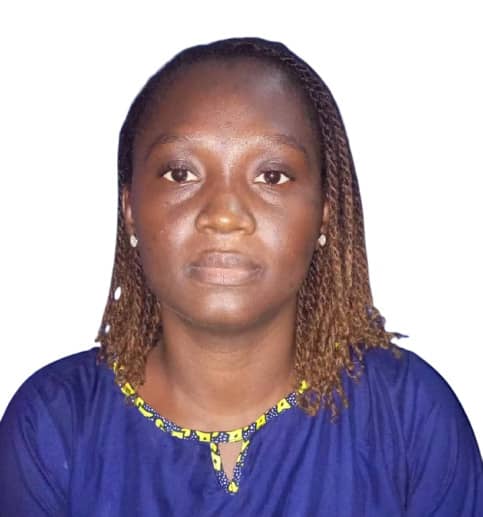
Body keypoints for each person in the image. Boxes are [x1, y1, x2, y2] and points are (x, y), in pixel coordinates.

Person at [0, 36, 481, 516]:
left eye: (272, 176)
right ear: (130, 210)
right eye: (181, 173)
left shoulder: (408, 415)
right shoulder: (54, 424)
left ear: (324, 212)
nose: (225, 215)